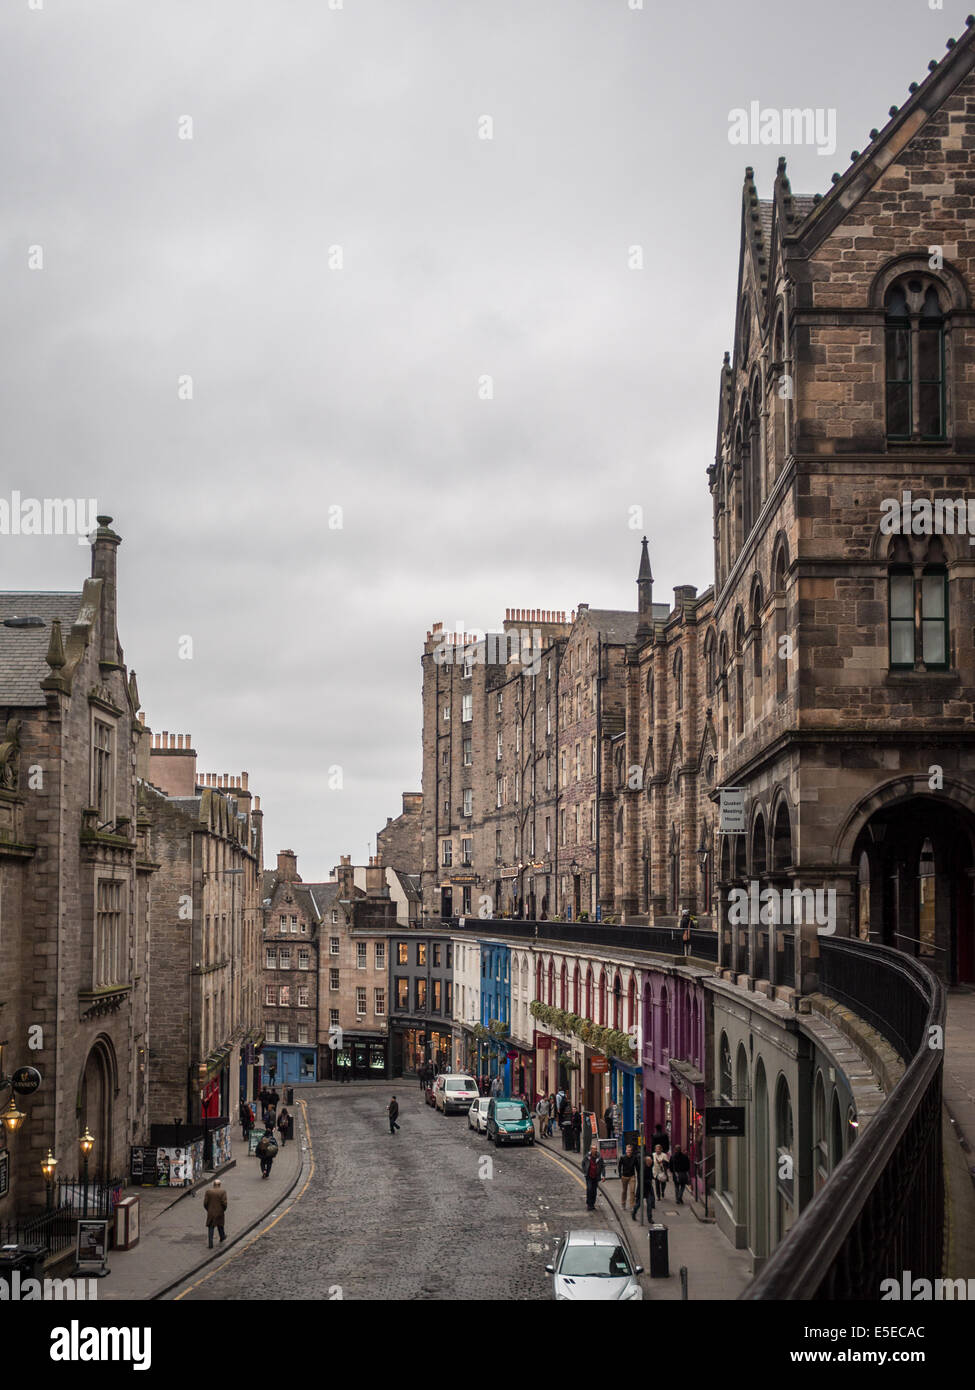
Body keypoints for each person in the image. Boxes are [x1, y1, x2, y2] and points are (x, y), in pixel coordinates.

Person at [204, 1177, 227, 1247]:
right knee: (220, 1225)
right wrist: (223, 1209)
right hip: (220, 1212)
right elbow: (224, 1203)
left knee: (211, 1227)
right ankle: (222, 1237)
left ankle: (210, 1243)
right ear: (219, 1185)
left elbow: (205, 1203)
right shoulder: (222, 1192)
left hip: (211, 1212)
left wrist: (208, 1209)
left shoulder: (208, 1192)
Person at [582, 1141, 605, 1211]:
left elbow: (602, 1166)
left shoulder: (599, 1158)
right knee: (589, 1189)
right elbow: (583, 1164)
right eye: (593, 1149)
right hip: (589, 1176)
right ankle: (589, 1204)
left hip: (596, 1177)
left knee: (594, 1191)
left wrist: (603, 1175)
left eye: (595, 1149)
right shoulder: (587, 1156)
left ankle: (592, 1204)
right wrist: (585, 1171)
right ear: (591, 1150)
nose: (594, 1150)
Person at [618, 1143, 639, 1212]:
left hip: (632, 1176)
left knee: (632, 1191)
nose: (629, 1152)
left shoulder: (634, 1158)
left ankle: (632, 1206)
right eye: (628, 1150)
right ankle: (623, 1204)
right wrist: (620, 1175)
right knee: (624, 1191)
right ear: (626, 1151)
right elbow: (619, 1166)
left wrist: (638, 1175)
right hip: (624, 1176)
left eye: (630, 1150)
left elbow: (637, 1167)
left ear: (631, 1151)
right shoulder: (622, 1157)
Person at [637, 1153, 656, 1222]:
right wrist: (649, 1181)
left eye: (651, 1162)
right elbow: (641, 1179)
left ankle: (649, 1218)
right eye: (650, 1162)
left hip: (648, 1189)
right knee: (638, 1204)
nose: (651, 1164)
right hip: (642, 1188)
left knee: (649, 1204)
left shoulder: (649, 1167)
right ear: (647, 1162)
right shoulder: (643, 1169)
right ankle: (634, 1212)